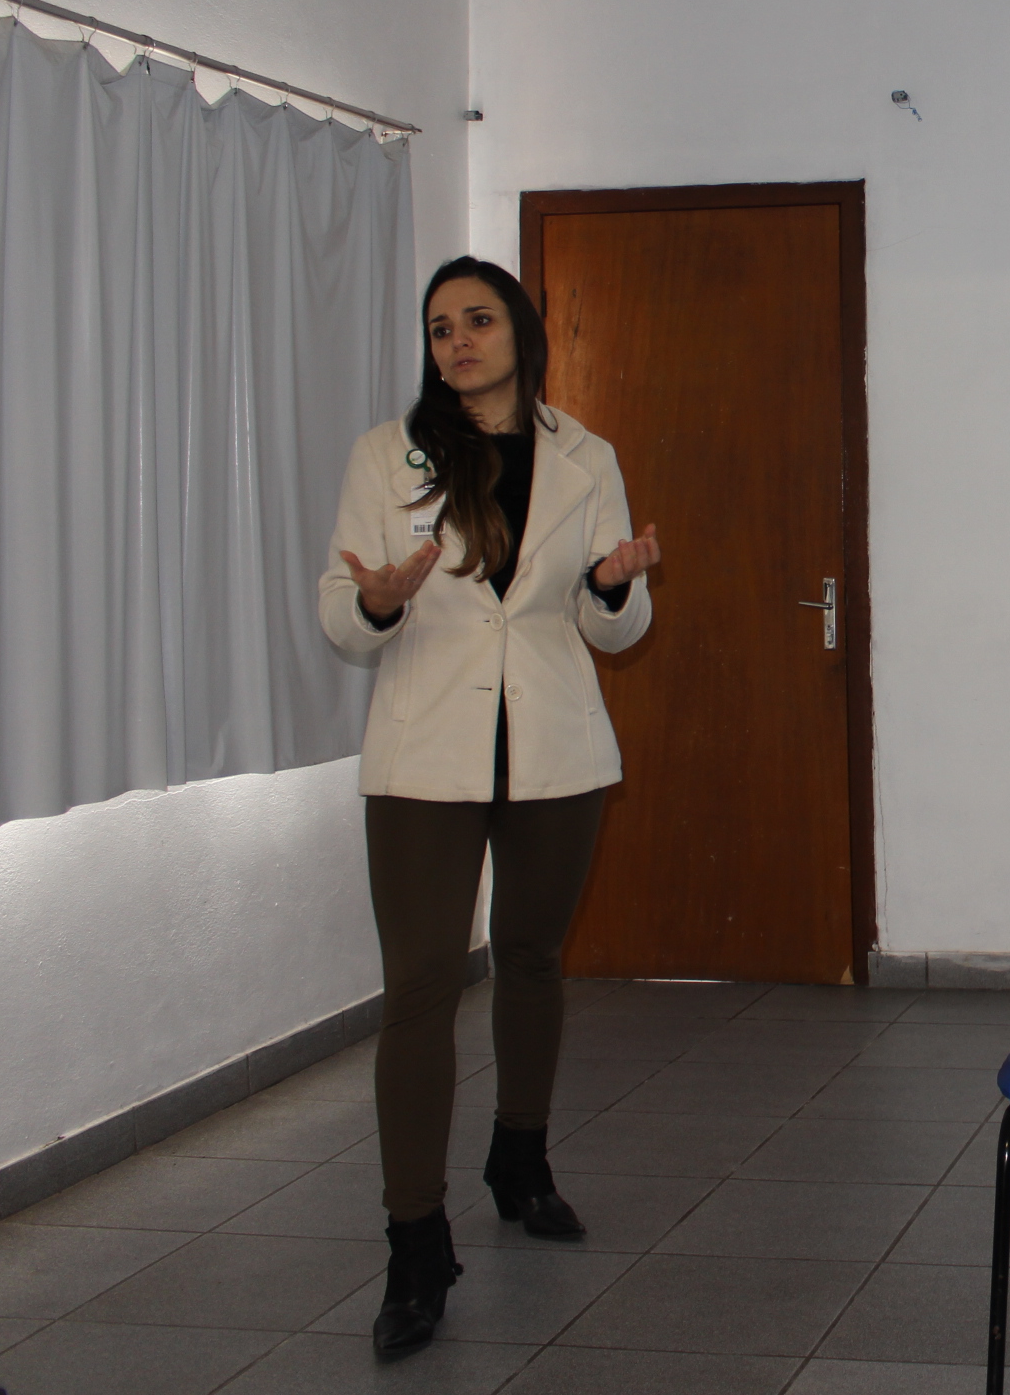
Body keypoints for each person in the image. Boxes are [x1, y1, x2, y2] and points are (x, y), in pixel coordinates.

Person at [318, 257, 661, 1360]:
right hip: (425, 752)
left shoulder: (586, 455)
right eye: (439, 328)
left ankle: (521, 1159)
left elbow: (615, 627)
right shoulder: (388, 455)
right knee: (421, 985)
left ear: (519, 331)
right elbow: (340, 610)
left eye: (477, 320)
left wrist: (613, 585)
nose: (457, 341)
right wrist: (376, 604)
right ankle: (415, 1244)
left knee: (531, 957)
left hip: (554, 743)